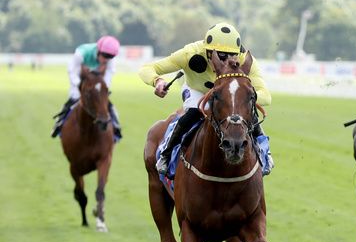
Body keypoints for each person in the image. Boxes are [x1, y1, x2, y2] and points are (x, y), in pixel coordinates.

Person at [139, 22, 273, 176]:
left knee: (248, 113)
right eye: (221, 55)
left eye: (232, 55)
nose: (227, 61)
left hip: (227, 95)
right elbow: (147, 69)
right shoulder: (190, 54)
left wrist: (245, 97)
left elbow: (266, 96)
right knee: (195, 112)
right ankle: (166, 154)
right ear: (208, 51)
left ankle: (265, 153)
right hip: (197, 91)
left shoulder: (245, 59)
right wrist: (157, 81)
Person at [51, 36, 122, 138]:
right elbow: (72, 70)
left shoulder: (110, 59)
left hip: (97, 80)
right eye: (105, 56)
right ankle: (59, 124)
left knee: (107, 103)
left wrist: (103, 90)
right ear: (98, 51)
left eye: (110, 57)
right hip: (79, 78)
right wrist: (79, 85)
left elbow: (109, 76)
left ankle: (116, 127)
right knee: (74, 98)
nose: (106, 59)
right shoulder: (81, 54)